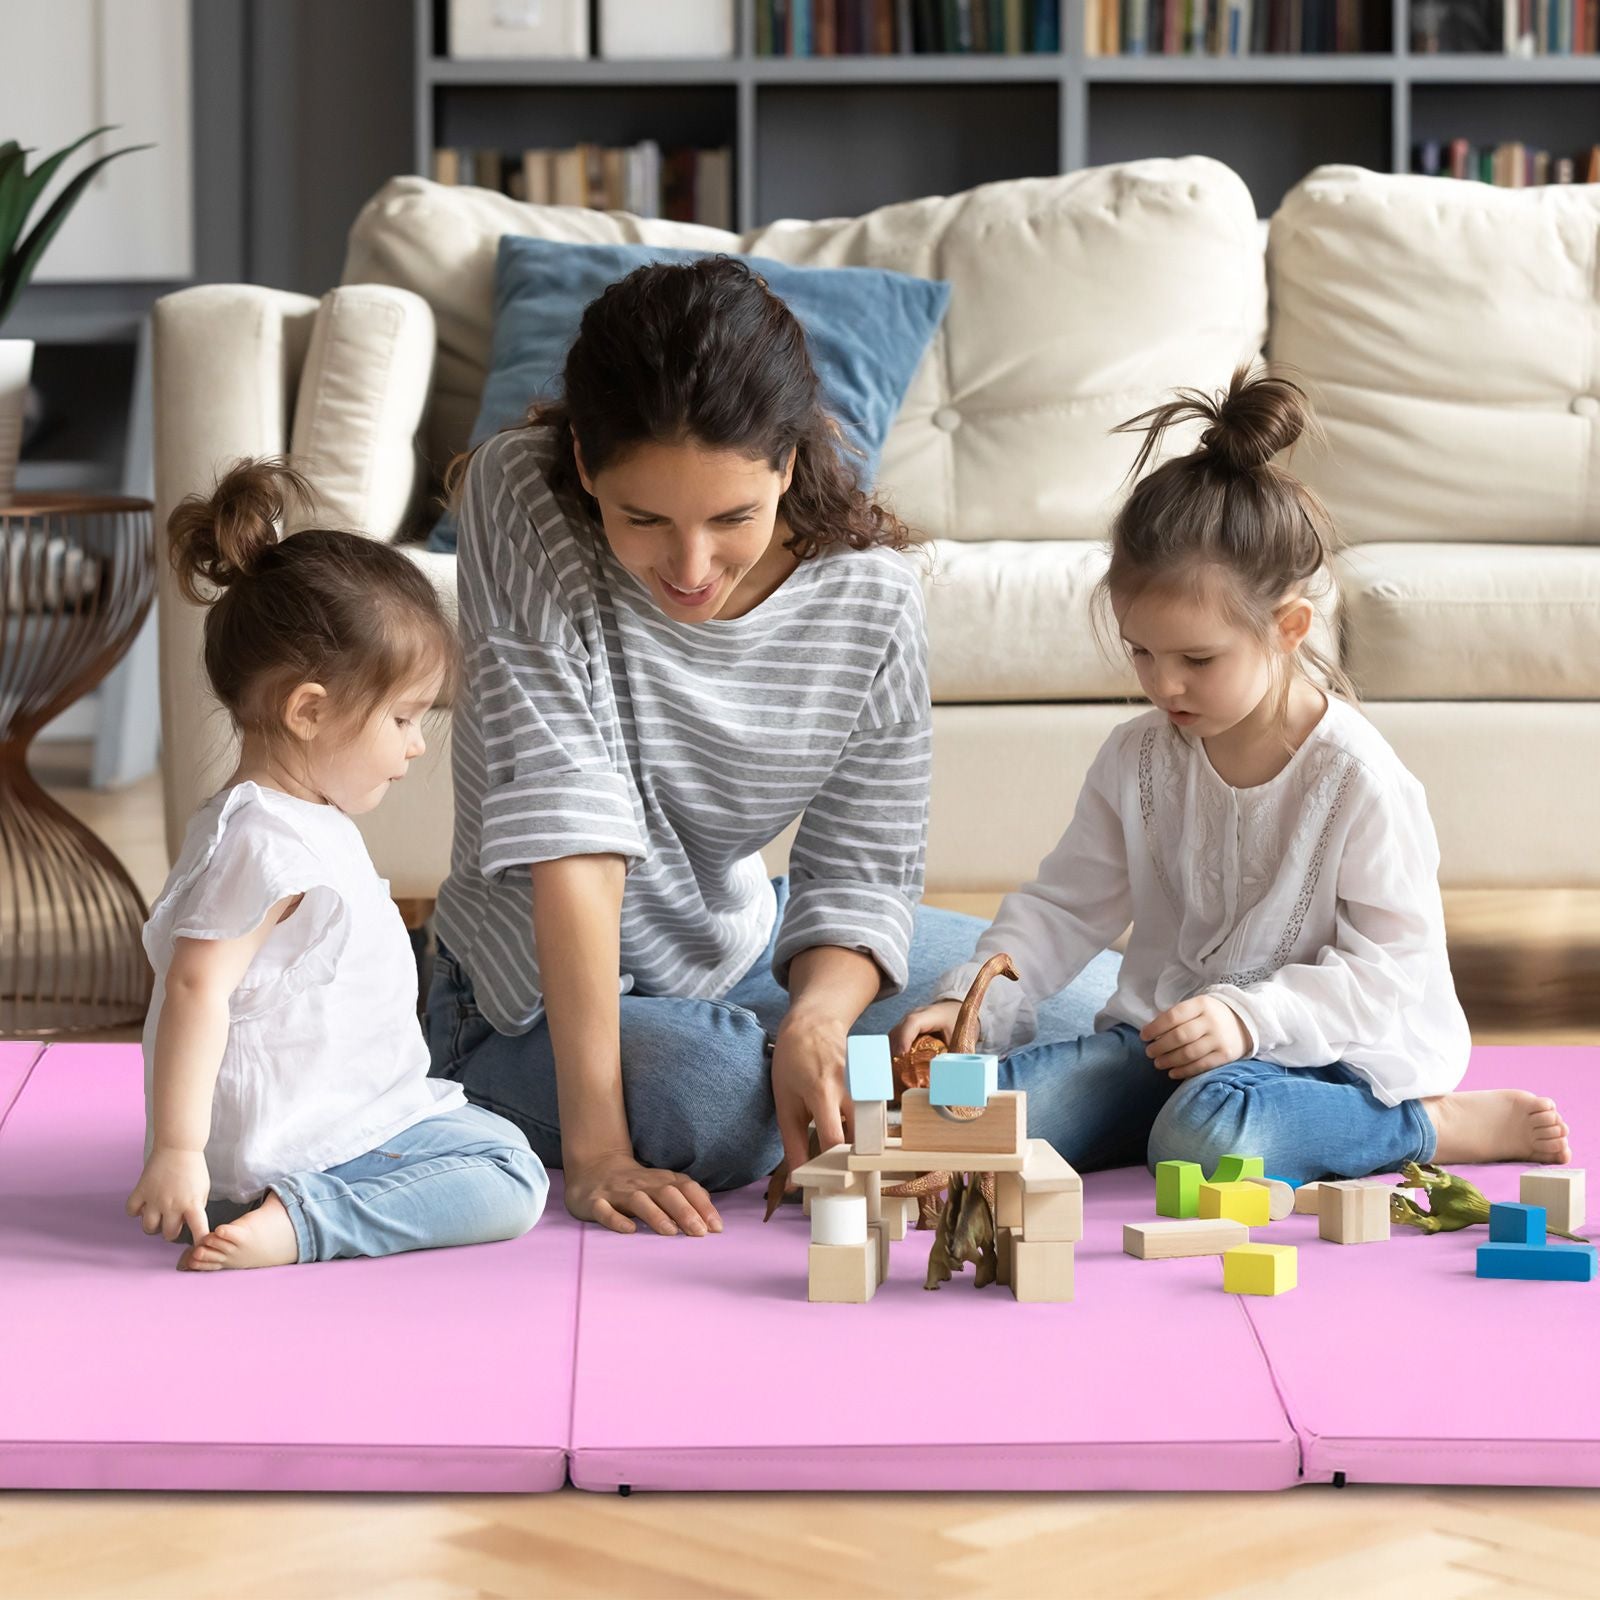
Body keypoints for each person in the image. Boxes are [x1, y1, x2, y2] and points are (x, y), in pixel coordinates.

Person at [424, 256, 1122, 1235]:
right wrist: (597, 1154)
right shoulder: (521, 497)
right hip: (532, 988)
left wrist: (818, 1016)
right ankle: (829, 1094)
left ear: (788, 463)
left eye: (731, 517)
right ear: (585, 464)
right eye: (643, 519)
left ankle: (821, 1066)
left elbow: (861, 868)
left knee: (1097, 1004)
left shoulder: (869, 596)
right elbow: (569, 823)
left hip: (742, 940)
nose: (690, 565)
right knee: (712, 1098)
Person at [892, 367, 1570, 1184]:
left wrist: (1248, 1018)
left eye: (1197, 659)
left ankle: (1422, 1127)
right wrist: (974, 1002)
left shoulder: (1357, 780)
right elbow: (1064, 907)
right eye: (1141, 651)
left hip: (1319, 1063)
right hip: (1167, 1046)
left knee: (1207, 1135)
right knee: (966, 1113)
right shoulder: (1136, 759)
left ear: (1287, 629)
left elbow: (1390, 972)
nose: (1162, 684)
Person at [127, 460, 548, 1270]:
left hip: (333, 1115)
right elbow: (193, 986)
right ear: (309, 710)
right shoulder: (264, 840)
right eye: (400, 718)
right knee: (511, 1175)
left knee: (496, 1136)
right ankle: (304, 1224)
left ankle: (287, 1207)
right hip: (303, 1146)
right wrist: (179, 1149)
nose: (417, 744)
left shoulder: (294, 815)